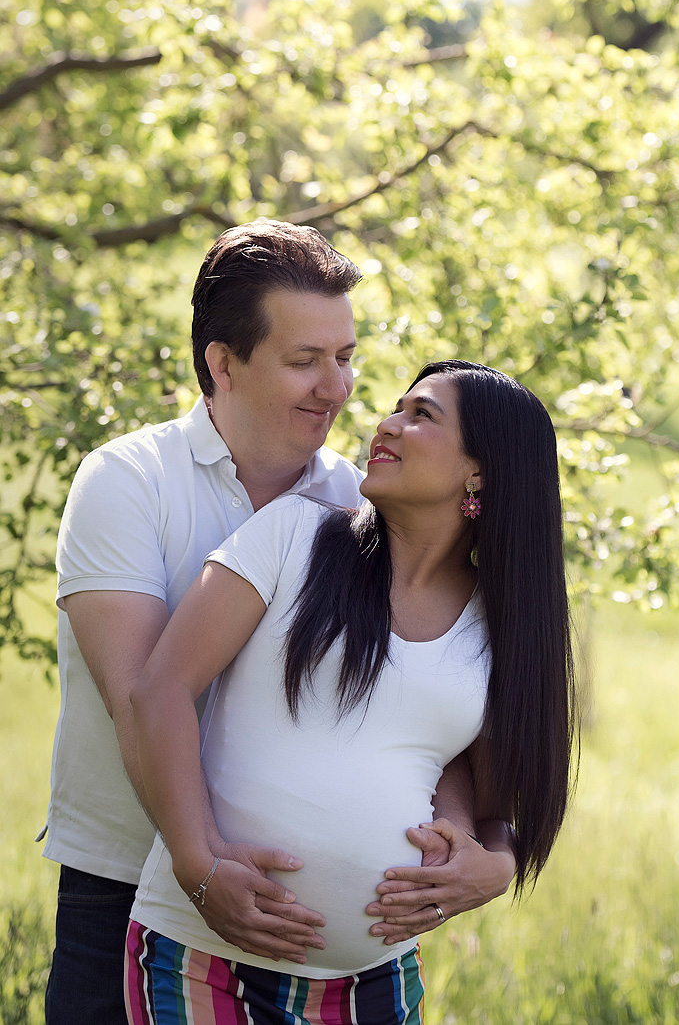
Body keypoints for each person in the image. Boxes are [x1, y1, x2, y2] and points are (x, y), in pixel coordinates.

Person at [43, 223, 515, 1025]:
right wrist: (198, 868)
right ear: (222, 363)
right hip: (124, 887)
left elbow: (431, 706)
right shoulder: (127, 482)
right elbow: (140, 702)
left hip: (310, 942)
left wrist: (472, 839)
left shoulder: (362, 507)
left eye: (345, 357)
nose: (336, 388)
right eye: (305, 362)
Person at [125, 360, 577, 1024]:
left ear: (480, 472)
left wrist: (497, 862)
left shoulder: (500, 627)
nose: (387, 424)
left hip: (376, 984)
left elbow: (471, 788)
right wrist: (198, 867)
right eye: (396, 407)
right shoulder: (293, 535)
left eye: (422, 415)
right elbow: (159, 689)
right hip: (206, 961)